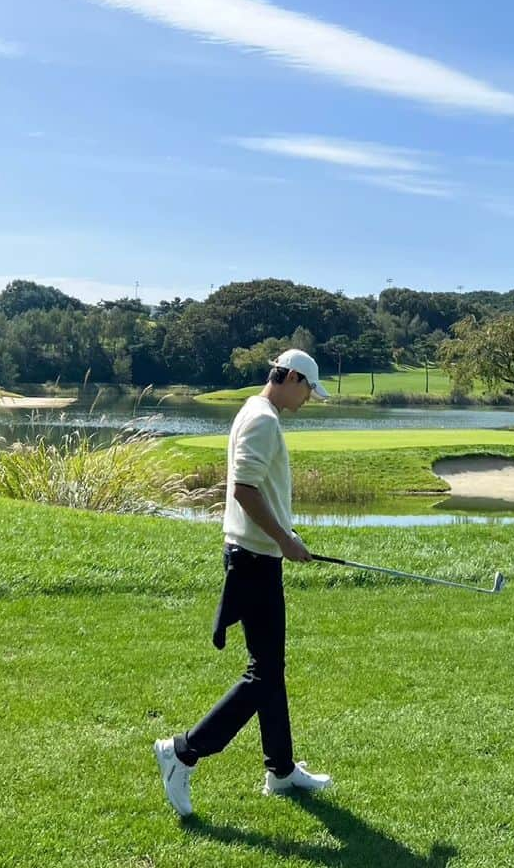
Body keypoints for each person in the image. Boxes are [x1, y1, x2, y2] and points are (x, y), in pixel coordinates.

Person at [154, 348, 333, 817]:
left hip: (258, 555)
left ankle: (280, 769)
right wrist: (284, 540)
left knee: (270, 666)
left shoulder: (258, 413)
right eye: (308, 388)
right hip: (254, 559)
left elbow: (256, 490)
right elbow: (244, 489)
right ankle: (183, 751)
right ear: (291, 377)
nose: (310, 398)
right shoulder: (264, 420)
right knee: (264, 672)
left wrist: (285, 538)